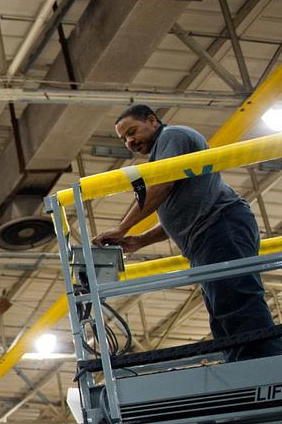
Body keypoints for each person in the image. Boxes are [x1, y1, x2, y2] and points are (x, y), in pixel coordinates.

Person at [93, 104, 282, 362]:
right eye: (124, 138)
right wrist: (140, 240)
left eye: (133, 131)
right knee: (222, 311)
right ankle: (244, 368)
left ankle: (267, 367)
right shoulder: (159, 157)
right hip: (207, 236)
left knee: (237, 300)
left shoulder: (172, 136)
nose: (130, 141)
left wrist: (122, 227)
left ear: (152, 120)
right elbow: (180, 212)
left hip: (220, 225)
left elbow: (163, 186)